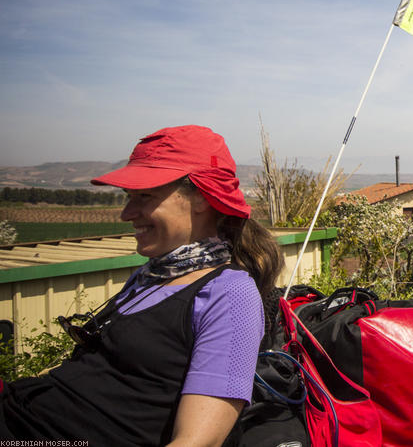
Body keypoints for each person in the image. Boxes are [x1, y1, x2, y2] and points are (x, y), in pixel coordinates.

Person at [0, 125, 284, 446]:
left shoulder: (229, 294)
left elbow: (196, 441)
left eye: (145, 196)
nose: (126, 214)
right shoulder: (152, 273)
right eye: (128, 198)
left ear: (202, 198)